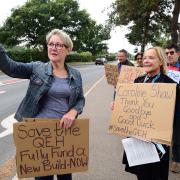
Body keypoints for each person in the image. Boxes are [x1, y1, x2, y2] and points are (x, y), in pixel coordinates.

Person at [0, 29, 85, 180]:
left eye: (58, 45)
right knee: (42, 178)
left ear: (68, 49)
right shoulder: (37, 68)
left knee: (65, 177)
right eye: (50, 44)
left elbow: (80, 100)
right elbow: (11, 68)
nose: (53, 48)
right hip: (39, 136)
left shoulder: (75, 74)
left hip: (64, 135)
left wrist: (73, 112)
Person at [122, 47, 180, 180]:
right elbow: (130, 109)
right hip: (138, 139)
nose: (146, 61)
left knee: (155, 175)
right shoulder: (138, 81)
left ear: (160, 61)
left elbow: (176, 118)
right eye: (145, 58)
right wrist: (119, 106)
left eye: (151, 58)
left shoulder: (171, 85)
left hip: (158, 144)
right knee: (141, 174)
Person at [165, 44, 180, 173]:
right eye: (167, 53)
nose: (169, 55)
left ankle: (176, 160)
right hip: (164, 107)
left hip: (178, 107)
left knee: (177, 134)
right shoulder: (163, 69)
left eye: (171, 52)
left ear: (178, 54)